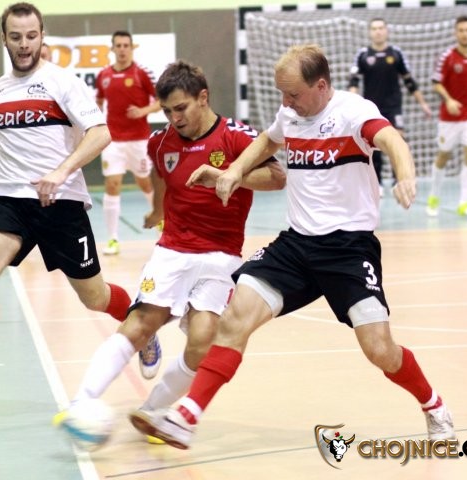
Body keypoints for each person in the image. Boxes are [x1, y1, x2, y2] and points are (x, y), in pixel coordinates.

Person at [130, 44, 455, 450]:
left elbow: (392, 140)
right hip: (297, 245)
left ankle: (433, 404)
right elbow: (268, 140)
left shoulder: (354, 112)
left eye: (293, 94)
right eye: (282, 94)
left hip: (348, 250)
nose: (285, 103)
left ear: (321, 86)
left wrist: (405, 176)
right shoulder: (290, 114)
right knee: (234, 319)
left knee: (380, 350)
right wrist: (234, 171)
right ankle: (186, 417)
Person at [57, 60, 285, 443]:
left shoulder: (235, 136)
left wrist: (230, 176)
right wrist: (157, 209)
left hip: (222, 256)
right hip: (173, 250)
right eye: (166, 111)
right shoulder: (160, 142)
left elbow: (278, 177)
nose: (174, 118)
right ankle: (80, 403)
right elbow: (161, 173)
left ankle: (151, 411)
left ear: (203, 97)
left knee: (202, 339)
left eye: (181, 108)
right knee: (139, 324)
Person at [0, 2, 136, 401]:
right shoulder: (1, 87)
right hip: (10, 199)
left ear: (42, 36)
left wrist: (60, 172)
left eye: (31, 36)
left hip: (60, 202)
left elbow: (101, 133)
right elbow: (9, 145)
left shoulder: (62, 81)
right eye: (16, 37)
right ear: (4, 39)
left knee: (95, 298)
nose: (24, 44)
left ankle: (143, 323)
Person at [95, 31, 161, 256]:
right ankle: (113, 238)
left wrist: (142, 111)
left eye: (126, 45)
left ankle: (161, 222)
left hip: (139, 140)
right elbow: (99, 99)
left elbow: (161, 101)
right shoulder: (103, 75)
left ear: (132, 48)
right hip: (112, 140)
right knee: (112, 184)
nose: (122, 49)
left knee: (145, 183)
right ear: (112, 49)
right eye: (118, 45)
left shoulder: (141, 73)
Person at [348, 17, 432, 193]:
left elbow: (409, 81)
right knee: (374, 144)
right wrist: (352, 105)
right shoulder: (363, 54)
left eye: (381, 28)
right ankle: (377, 183)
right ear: (370, 32)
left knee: (397, 141)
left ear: (386, 31)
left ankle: (399, 180)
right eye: (374, 28)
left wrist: (423, 104)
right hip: (371, 108)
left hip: (394, 107)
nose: (378, 31)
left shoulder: (396, 53)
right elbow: (353, 82)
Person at [426, 15, 467, 217]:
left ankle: (464, 203)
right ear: (455, 33)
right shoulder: (447, 57)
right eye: (461, 30)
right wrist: (448, 100)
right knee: (444, 155)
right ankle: (434, 196)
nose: (465, 34)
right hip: (450, 117)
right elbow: (436, 83)